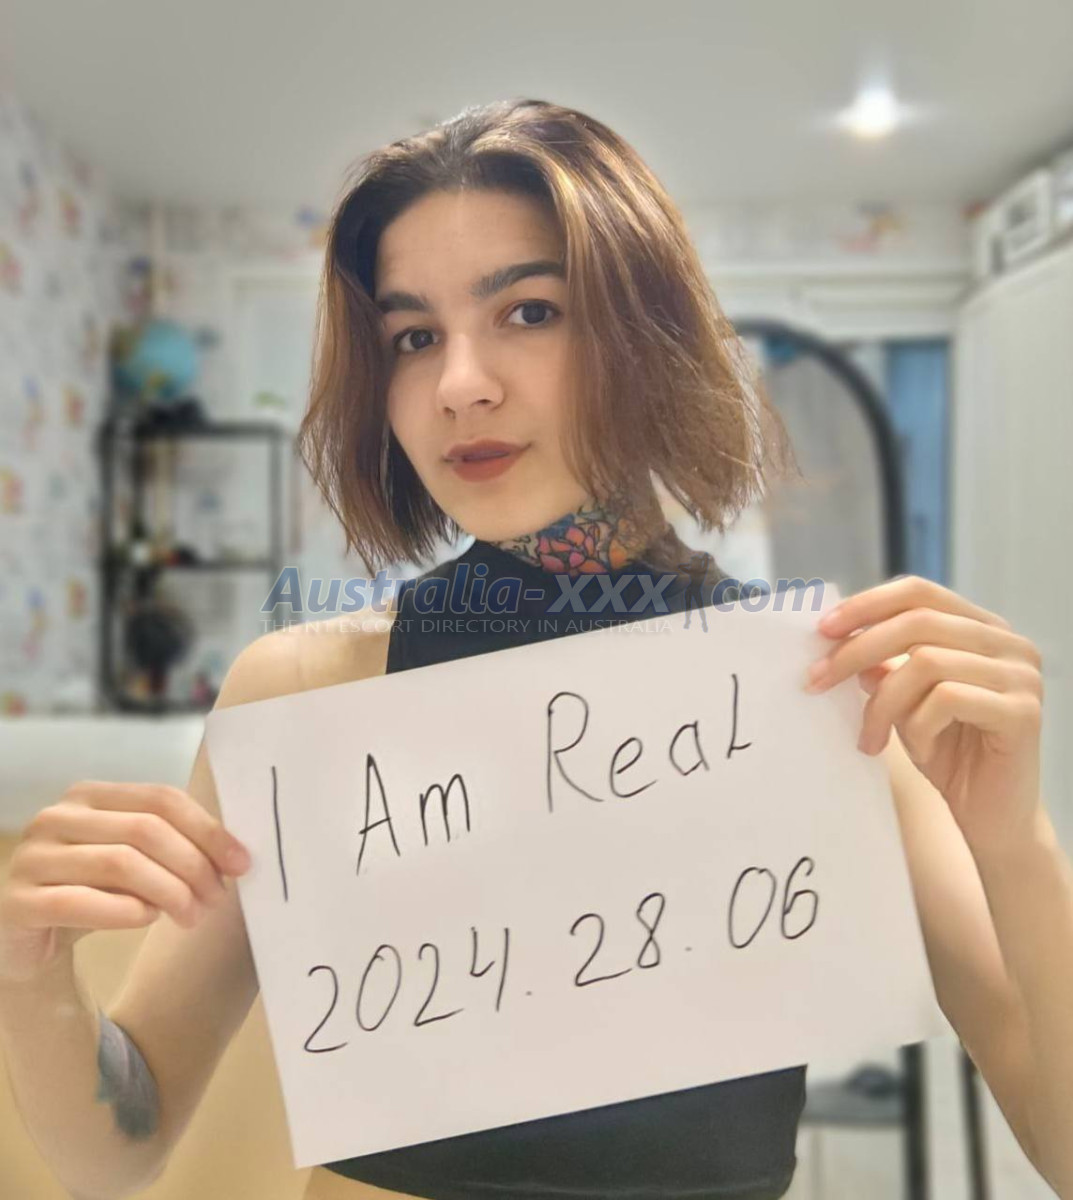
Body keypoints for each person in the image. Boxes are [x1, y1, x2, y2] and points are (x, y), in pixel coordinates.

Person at [0, 97, 1067, 1200]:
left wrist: (1017, 847)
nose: (459, 382)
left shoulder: (819, 694)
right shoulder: (307, 692)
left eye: (529, 311)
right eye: (413, 337)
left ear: (649, 339)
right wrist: (28, 976)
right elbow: (115, 1152)